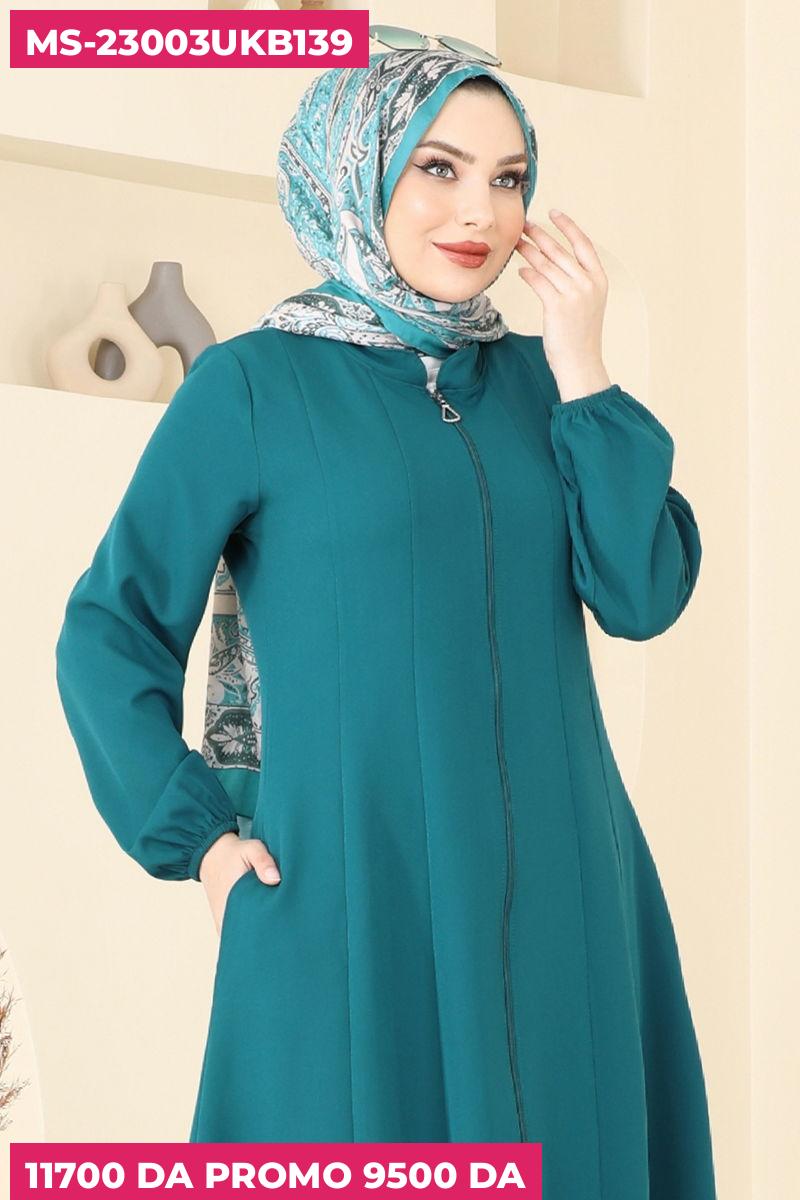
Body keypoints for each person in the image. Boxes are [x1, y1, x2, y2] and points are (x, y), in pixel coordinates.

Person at [55, 47, 718, 1196]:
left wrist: (582, 365)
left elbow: (640, 592)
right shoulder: (254, 384)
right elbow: (110, 629)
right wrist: (199, 840)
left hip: (563, 893)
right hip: (356, 901)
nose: (478, 212)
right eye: (437, 168)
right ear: (356, 172)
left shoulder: (540, 383)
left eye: (507, 179)